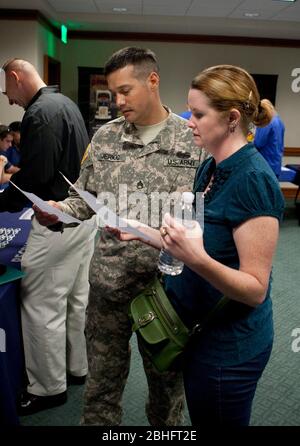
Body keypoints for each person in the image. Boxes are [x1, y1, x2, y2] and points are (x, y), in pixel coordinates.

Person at [34, 46, 208, 425]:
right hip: (109, 286)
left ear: (153, 80)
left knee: (166, 396)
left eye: (126, 90)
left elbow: (205, 217)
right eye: (113, 93)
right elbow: (82, 201)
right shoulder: (105, 138)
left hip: (166, 291)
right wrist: (56, 213)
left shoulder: (192, 141)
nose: (118, 101)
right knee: (101, 391)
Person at [111, 64, 285, 426]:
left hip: (230, 347)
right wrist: (141, 231)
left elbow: (254, 289)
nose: (189, 121)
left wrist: (197, 259)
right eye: (190, 111)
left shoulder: (253, 180)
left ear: (232, 118)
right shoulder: (211, 168)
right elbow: (190, 240)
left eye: (199, 114)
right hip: (198, 333)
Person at [0, 58, 96, 415]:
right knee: (74, 300)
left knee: (41, 306)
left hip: (56, 220)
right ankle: (76, 368)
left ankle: (46, 388)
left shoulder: (39, 113)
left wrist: (1, 202)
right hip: (82, 219)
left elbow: (36, 177)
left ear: (15, 77)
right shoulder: (65, 103)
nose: (9, 100)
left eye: (7, 91)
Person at [254, 99, 285, 178]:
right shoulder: (279, 121)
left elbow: (258, 143)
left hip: (266, 165)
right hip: (276, 165)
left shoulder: (266, 121)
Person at [0, 124, 19, 190]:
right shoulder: (2, 158)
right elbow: (1, 179)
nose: (10, 145)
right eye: (7, 141)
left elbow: (2, 178)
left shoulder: (2, 155)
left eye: (11, 141)